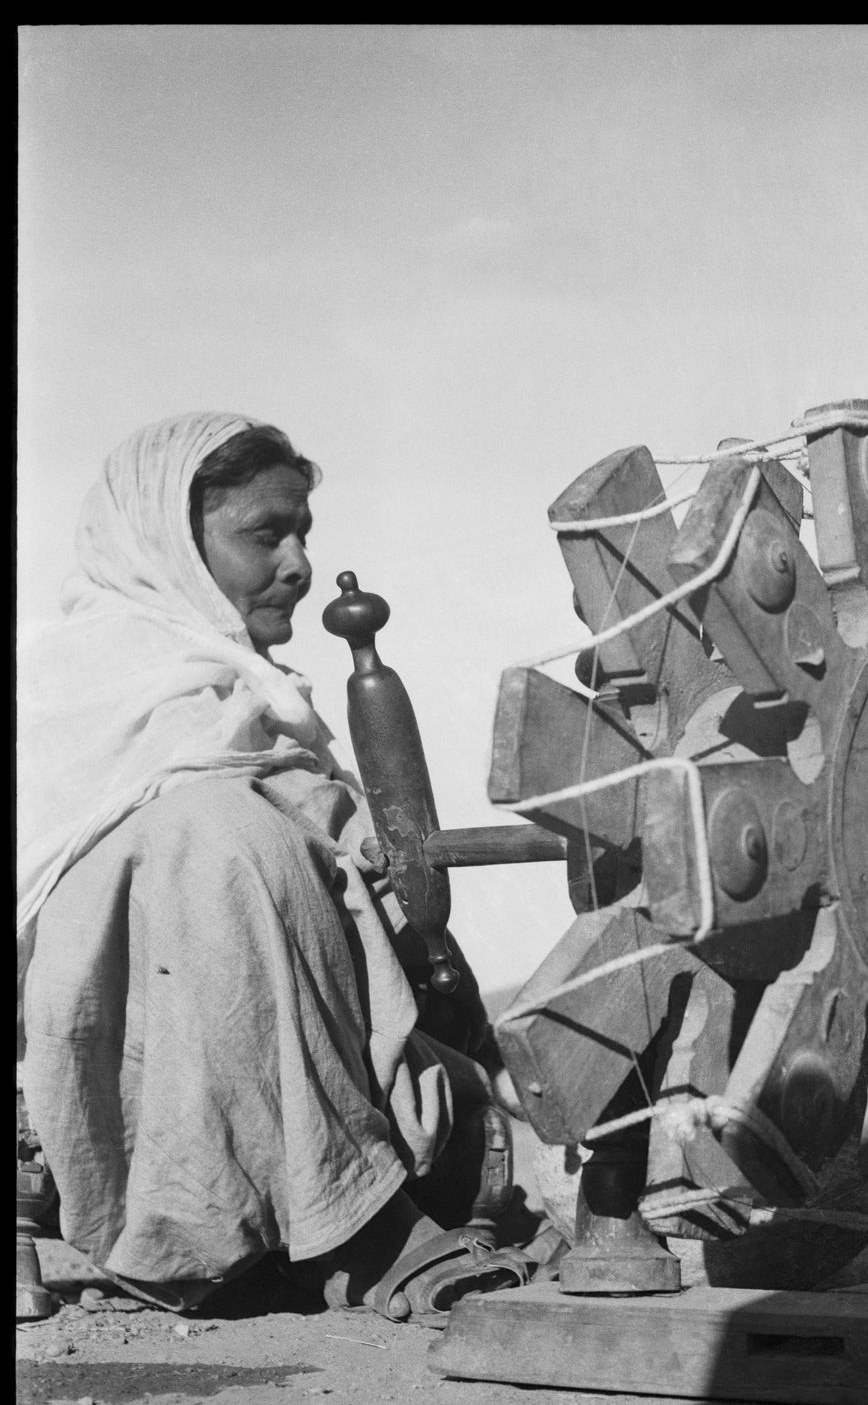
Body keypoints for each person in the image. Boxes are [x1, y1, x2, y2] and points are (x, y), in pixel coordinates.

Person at [18, 412, 528, 1321]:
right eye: (265, 535)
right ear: (169, 545)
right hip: (108, 1082)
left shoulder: (250, 698)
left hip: (326, 1062)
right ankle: (357, 1234)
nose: (296, 564)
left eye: (303, 535)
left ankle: (337, 1196)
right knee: (213, 839)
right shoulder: (65, 687)